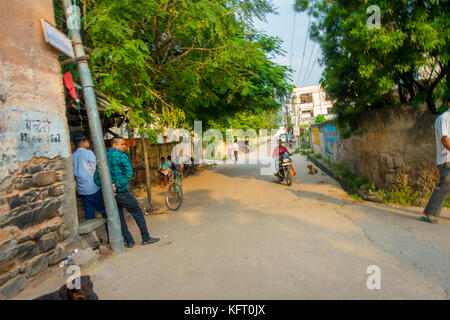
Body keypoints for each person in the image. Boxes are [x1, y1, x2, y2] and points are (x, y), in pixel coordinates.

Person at [94, 137, 159, 247]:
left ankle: (129, 241)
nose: (125, 146)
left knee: (119, 218)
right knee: (138, 212)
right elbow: (129, 173)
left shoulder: (102, 157)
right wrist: (117, 186)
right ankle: (145, 237)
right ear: (115, 145)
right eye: (122, 144)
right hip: (122, 192)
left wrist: (109, 187)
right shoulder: (122, 156)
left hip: (110, 194)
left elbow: (96, 178)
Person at [72, 136, 109, 242]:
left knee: (89, 215)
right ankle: (111, 236)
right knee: (105, 212)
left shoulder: (73, 156)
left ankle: (93, 240)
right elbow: (96, 169)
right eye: (87, 141)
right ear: (82, 142)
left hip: (82, 188)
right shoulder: (88, 153)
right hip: (93, 186)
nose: (89, 143)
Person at [422, 97, 450, 223]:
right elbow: (445, 139)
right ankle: (430, 212)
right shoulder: (445, 118)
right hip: (446, 159)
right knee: (446, 183)